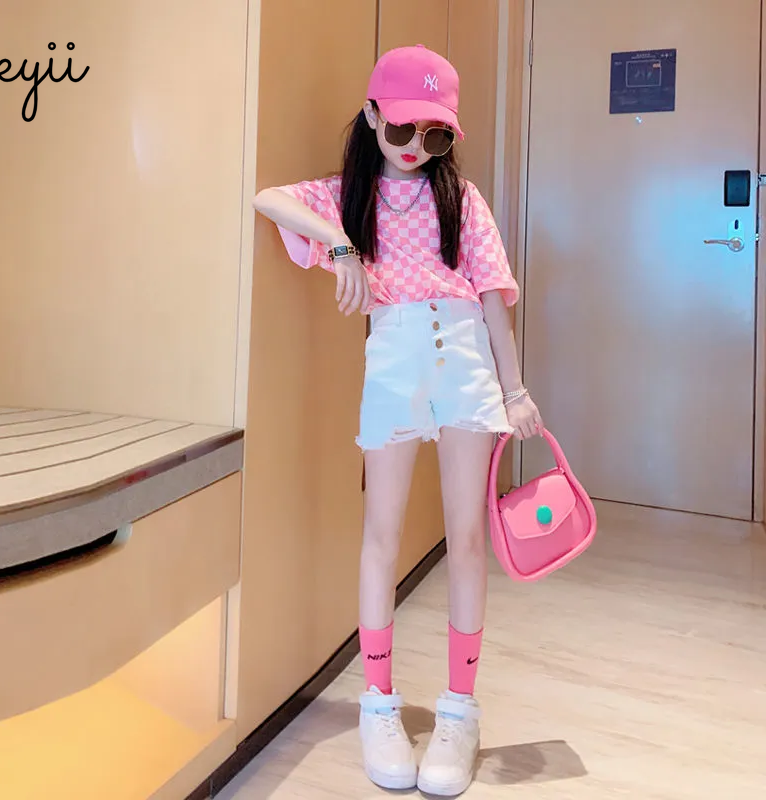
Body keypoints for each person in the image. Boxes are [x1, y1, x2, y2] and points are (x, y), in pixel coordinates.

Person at [252, 44, 543, 797]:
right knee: (380, 533)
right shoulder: (347, 195)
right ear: (372, 114)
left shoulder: (463, 200)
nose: (416, 147)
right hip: (393, 359)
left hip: (466, 359)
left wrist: (515, 391)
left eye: (435, 134)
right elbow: (267, 197)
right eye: (403, 128)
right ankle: (377, 705)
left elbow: (493, 302)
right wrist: (341, 245)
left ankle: (459, 710)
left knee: (466, 537)